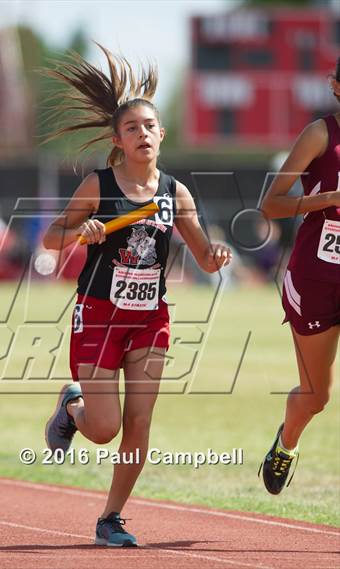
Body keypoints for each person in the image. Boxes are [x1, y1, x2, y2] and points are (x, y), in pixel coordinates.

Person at [42, 44, 232, 546]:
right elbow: (51, 238)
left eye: (149, 126)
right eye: (132, 129)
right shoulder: (98, 185)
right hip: (100, 313)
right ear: (118, 140)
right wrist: (84, 232)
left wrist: (216, 256)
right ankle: (74, 408)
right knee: (103, 429)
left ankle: (111, 519)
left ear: (161, 134)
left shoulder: (176, 193)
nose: (142, 134)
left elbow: (202, 254)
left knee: (140, 421)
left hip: (150, 316)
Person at [259, 58, 340, 494]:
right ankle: (286, 444)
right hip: (315, 279)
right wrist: (328, 197)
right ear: (336, 86)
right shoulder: (320, 134)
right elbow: (270, 205)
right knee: (316, 397)